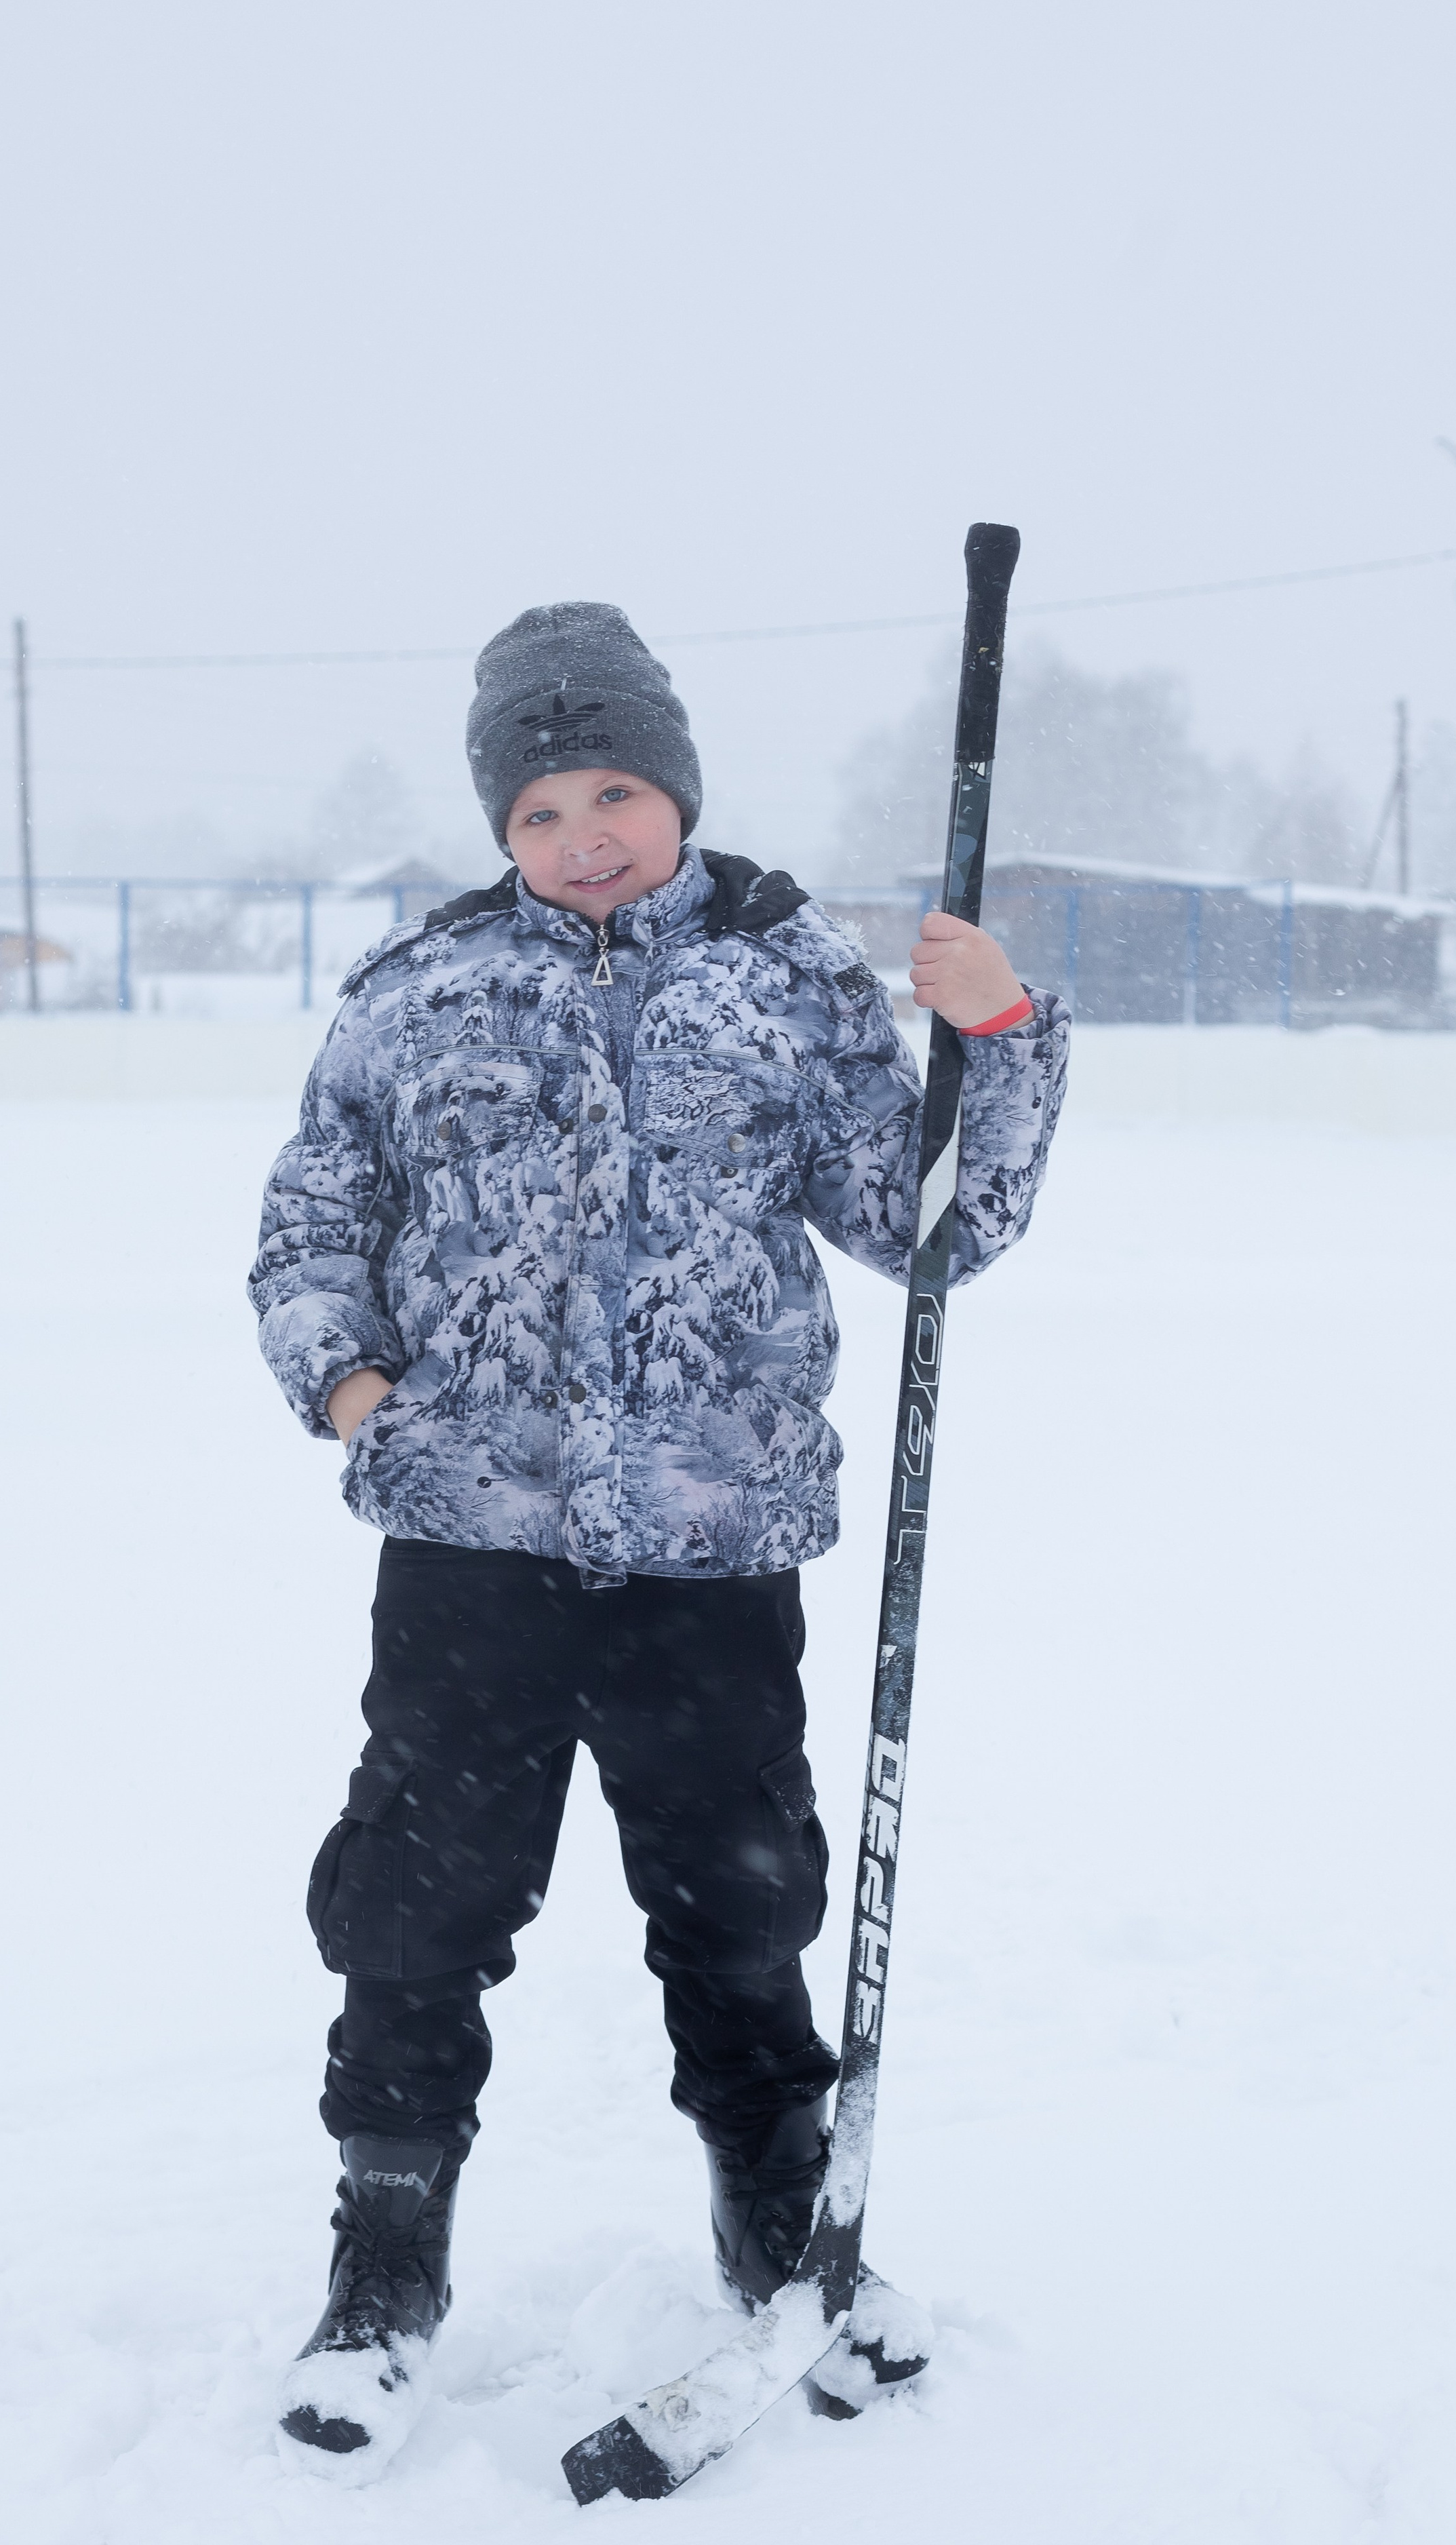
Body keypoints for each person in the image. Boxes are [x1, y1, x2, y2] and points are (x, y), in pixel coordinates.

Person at [248, 601, 1069, 2479]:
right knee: (417, 1896)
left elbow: (923, 1220)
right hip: (472, 1545)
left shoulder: (786, 981)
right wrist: (359, 1396)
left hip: (713, 1539)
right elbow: (310, 1219)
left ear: (676, 790)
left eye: (615, 790)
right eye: (542, 809)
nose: (584, 833)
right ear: (501, 829)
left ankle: (776, 2224)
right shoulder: (417, 991)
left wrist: (995, 1035)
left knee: (739, 1898)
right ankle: (383, 2269)